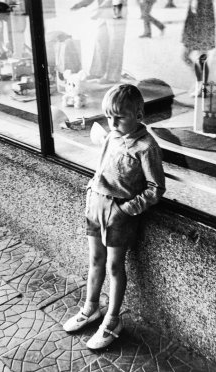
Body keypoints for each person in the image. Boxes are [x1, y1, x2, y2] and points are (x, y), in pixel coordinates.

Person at [63, 84, 166, 349]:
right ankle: (91, 308)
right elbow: (101, 169)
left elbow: (156, 188)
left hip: (119, 212)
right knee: (95, 259)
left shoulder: (146, 146)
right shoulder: (111, 136)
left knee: (114, 266)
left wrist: (126, 210)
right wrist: (91, 193)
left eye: (120, 116)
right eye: (109, 116)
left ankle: (112, 318)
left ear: (139, 114)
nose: (113, 122)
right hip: (96, 205)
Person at [182, 0, 216, 96]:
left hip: (201, 34)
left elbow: (207, 19)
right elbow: (191, 16)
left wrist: (205, 37)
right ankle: (199, 82)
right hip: (192, 33)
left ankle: (202, 86)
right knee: (185, 57)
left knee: (202, 60)